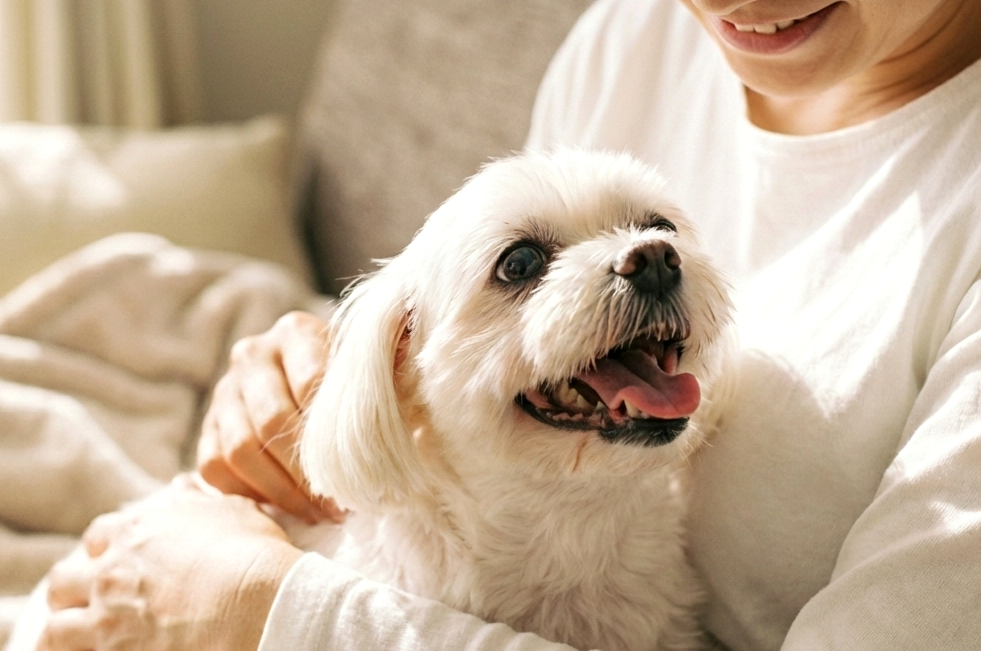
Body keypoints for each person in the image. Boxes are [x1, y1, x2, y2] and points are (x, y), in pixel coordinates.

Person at [36, 0, 981, 649]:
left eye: (656, 230)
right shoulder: (631, 37)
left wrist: (259, 608)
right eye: (527, 264)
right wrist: (306, 370)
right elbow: (476, 332)